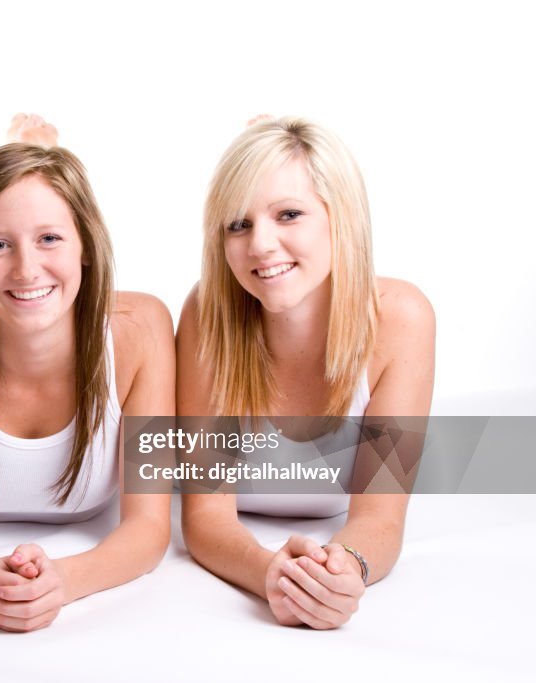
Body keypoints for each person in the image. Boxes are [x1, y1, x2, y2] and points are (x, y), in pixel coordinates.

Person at [0, 114, 174, 632]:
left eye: (49, 239)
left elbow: (150, 526)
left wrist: (63, 581)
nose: (25, 269)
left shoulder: (143, 328)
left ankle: (34, 157)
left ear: (86, 246)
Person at [177, 116, 435, 629]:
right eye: (238, 224)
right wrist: (269, 574)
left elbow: (378, 517)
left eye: (288, 214)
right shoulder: (208, 315)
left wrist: (343, 570)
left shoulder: (401, 319)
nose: (260, 245)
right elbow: (206, 518)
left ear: (340, 218)